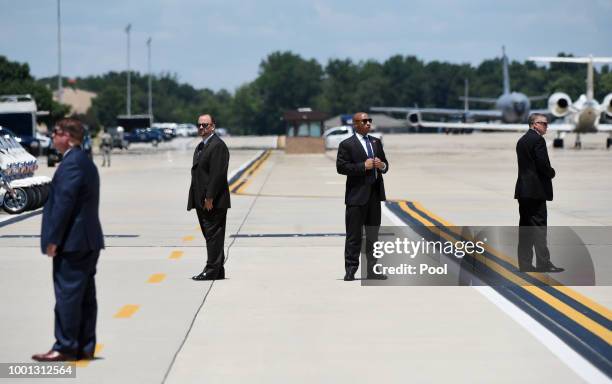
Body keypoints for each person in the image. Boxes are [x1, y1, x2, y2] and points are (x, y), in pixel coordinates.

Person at [33, 118, 105, 362]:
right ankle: (83, 346)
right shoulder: (83, 161)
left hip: (73, 243)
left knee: (67, 297)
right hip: (86, 241)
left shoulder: (72, 164)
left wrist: (53, 239)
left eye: (56, 132)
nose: (52, 137)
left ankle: (64, 347)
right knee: (84, 297)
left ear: (70, 137)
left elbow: (64, 204)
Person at [337, 112, 389, 281]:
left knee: (373, 235)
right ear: (356, 124)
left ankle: (372, 270)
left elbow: (386, 165)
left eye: (369, 121)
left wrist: (381, 165)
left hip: (374, 195)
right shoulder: (347, 144)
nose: (368, 124)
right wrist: (363, 166)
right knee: (354, 236)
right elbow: (341, 167)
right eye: (364, 121)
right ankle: (351, 269)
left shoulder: (376, 142)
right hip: (356, 197)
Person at [514, 113, 563, 273]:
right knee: (539, 228)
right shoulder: (538, 140)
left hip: (523, 191)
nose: (546, 126)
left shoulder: (522, 140)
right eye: (544, 123)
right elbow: (542, 165)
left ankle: (525, 264)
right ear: (535, 124)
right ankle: (543, 263)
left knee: (526, 228)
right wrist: (551, 172)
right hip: (536, 191)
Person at [187, 114, 231, 280]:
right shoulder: (202, 146)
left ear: (213, 126)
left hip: (213, 201)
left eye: (205, 125)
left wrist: (210, 197)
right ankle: (218, 270)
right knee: (213, 236)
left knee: (213, 236)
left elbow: (217, 175)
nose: (201, 128)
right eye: (199, 125)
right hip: (202, 200)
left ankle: (211, 269)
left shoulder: (217, 146)